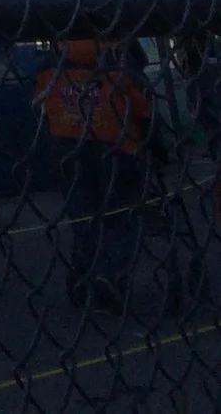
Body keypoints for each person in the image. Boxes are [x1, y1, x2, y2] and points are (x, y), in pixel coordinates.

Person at [35, 39, 155, 311]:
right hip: (118, 146)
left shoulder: (52, 62)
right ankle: (110, 273)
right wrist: (152, 143)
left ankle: (86, 271)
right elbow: (142, 107)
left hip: (68, 147)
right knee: (123, 213)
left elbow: (40, 105)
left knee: (83, 215)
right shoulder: (117, 56)